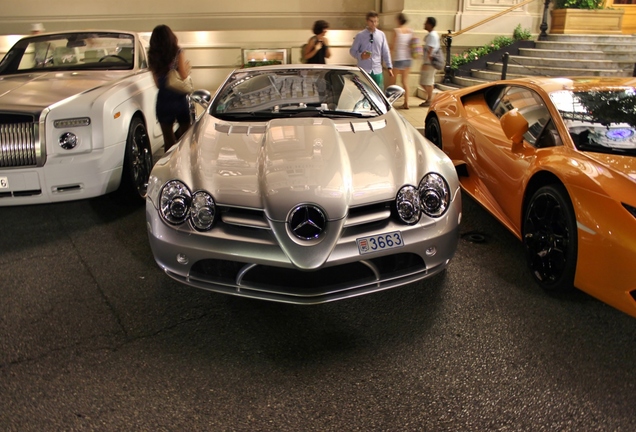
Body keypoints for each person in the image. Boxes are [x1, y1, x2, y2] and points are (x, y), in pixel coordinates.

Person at [147, 24, 192, 152]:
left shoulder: (152, 56)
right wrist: (187, 68)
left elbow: (157, 84)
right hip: (178, 99)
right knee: (186, 138)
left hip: (163, 101)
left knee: (168, 142)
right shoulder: (178, 52)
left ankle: (169, 168)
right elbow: (183, 75)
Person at [350, 11, 393, 89]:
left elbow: (385, 51)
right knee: (364, 92)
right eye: (371, 21)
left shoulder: (381, 35)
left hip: (377, 70)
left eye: (376, 21)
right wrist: (361, 56)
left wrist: (389, 66)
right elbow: (352, 51)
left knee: (378, 93)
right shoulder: (360, 35)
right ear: (367, 21)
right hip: (364, 70)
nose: (374, 24)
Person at [389, 13, 413, 109]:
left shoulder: (396, 31)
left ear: (398, 20)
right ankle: (406, 102)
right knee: (405, 82)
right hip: (408, 59)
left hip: (399, 58)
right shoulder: (410, 31)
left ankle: (390, 101)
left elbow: (393, 46)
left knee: (392, 82)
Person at [419, 16, 440, 107]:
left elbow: (430, 50)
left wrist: (426, 63)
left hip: (430, 63)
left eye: (426, 23)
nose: (424, 24)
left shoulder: (432, 35)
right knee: (427, 82)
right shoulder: (432, 34)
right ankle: (429, 99)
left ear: (430, 25)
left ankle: (430, 99)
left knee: (426, 82)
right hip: (429, 62)